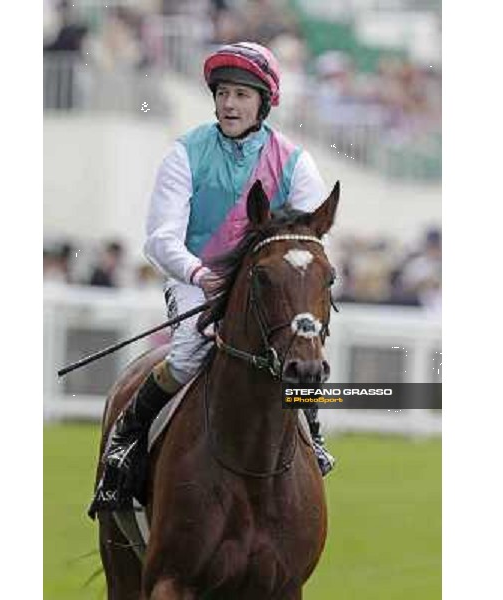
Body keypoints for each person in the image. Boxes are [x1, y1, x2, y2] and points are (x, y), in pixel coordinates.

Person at [90, 42, 336, 515]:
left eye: (242, 95)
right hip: (195, 277)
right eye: (223, 93)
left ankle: (312, 431)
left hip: (265, 283)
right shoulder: (185, 153)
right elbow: (161, 238)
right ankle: (126, 439)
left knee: (301, 346)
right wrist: (199, 274)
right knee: (187, 354)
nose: (229, 103)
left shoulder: (296, 162)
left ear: (264, 102)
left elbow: (310, 240)